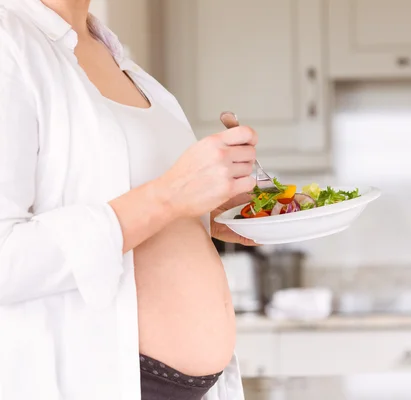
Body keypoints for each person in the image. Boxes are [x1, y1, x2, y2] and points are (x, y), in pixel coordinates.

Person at [0, 0, 256, 398]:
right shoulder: (8, 39)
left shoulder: (110, 52)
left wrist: (208, 212)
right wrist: (171, 196)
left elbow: (137, 201)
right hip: (106, 380)